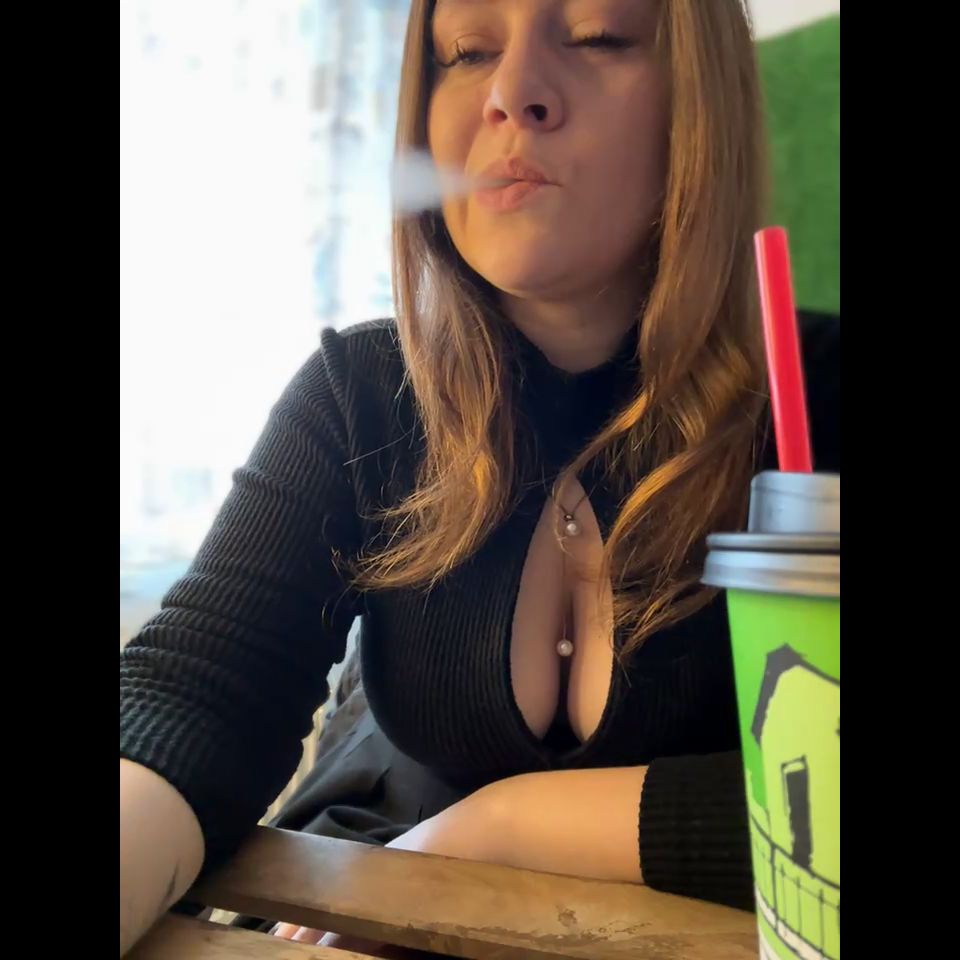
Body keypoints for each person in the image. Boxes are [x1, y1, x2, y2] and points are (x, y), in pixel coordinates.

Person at [119, 0, 840, 955]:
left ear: (701, 105)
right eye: (465, 52)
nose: (512, 92)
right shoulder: (360, 392)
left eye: (599, 37)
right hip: (354, 898)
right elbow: (194, 693)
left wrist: (498, 826)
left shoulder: (816, 401)